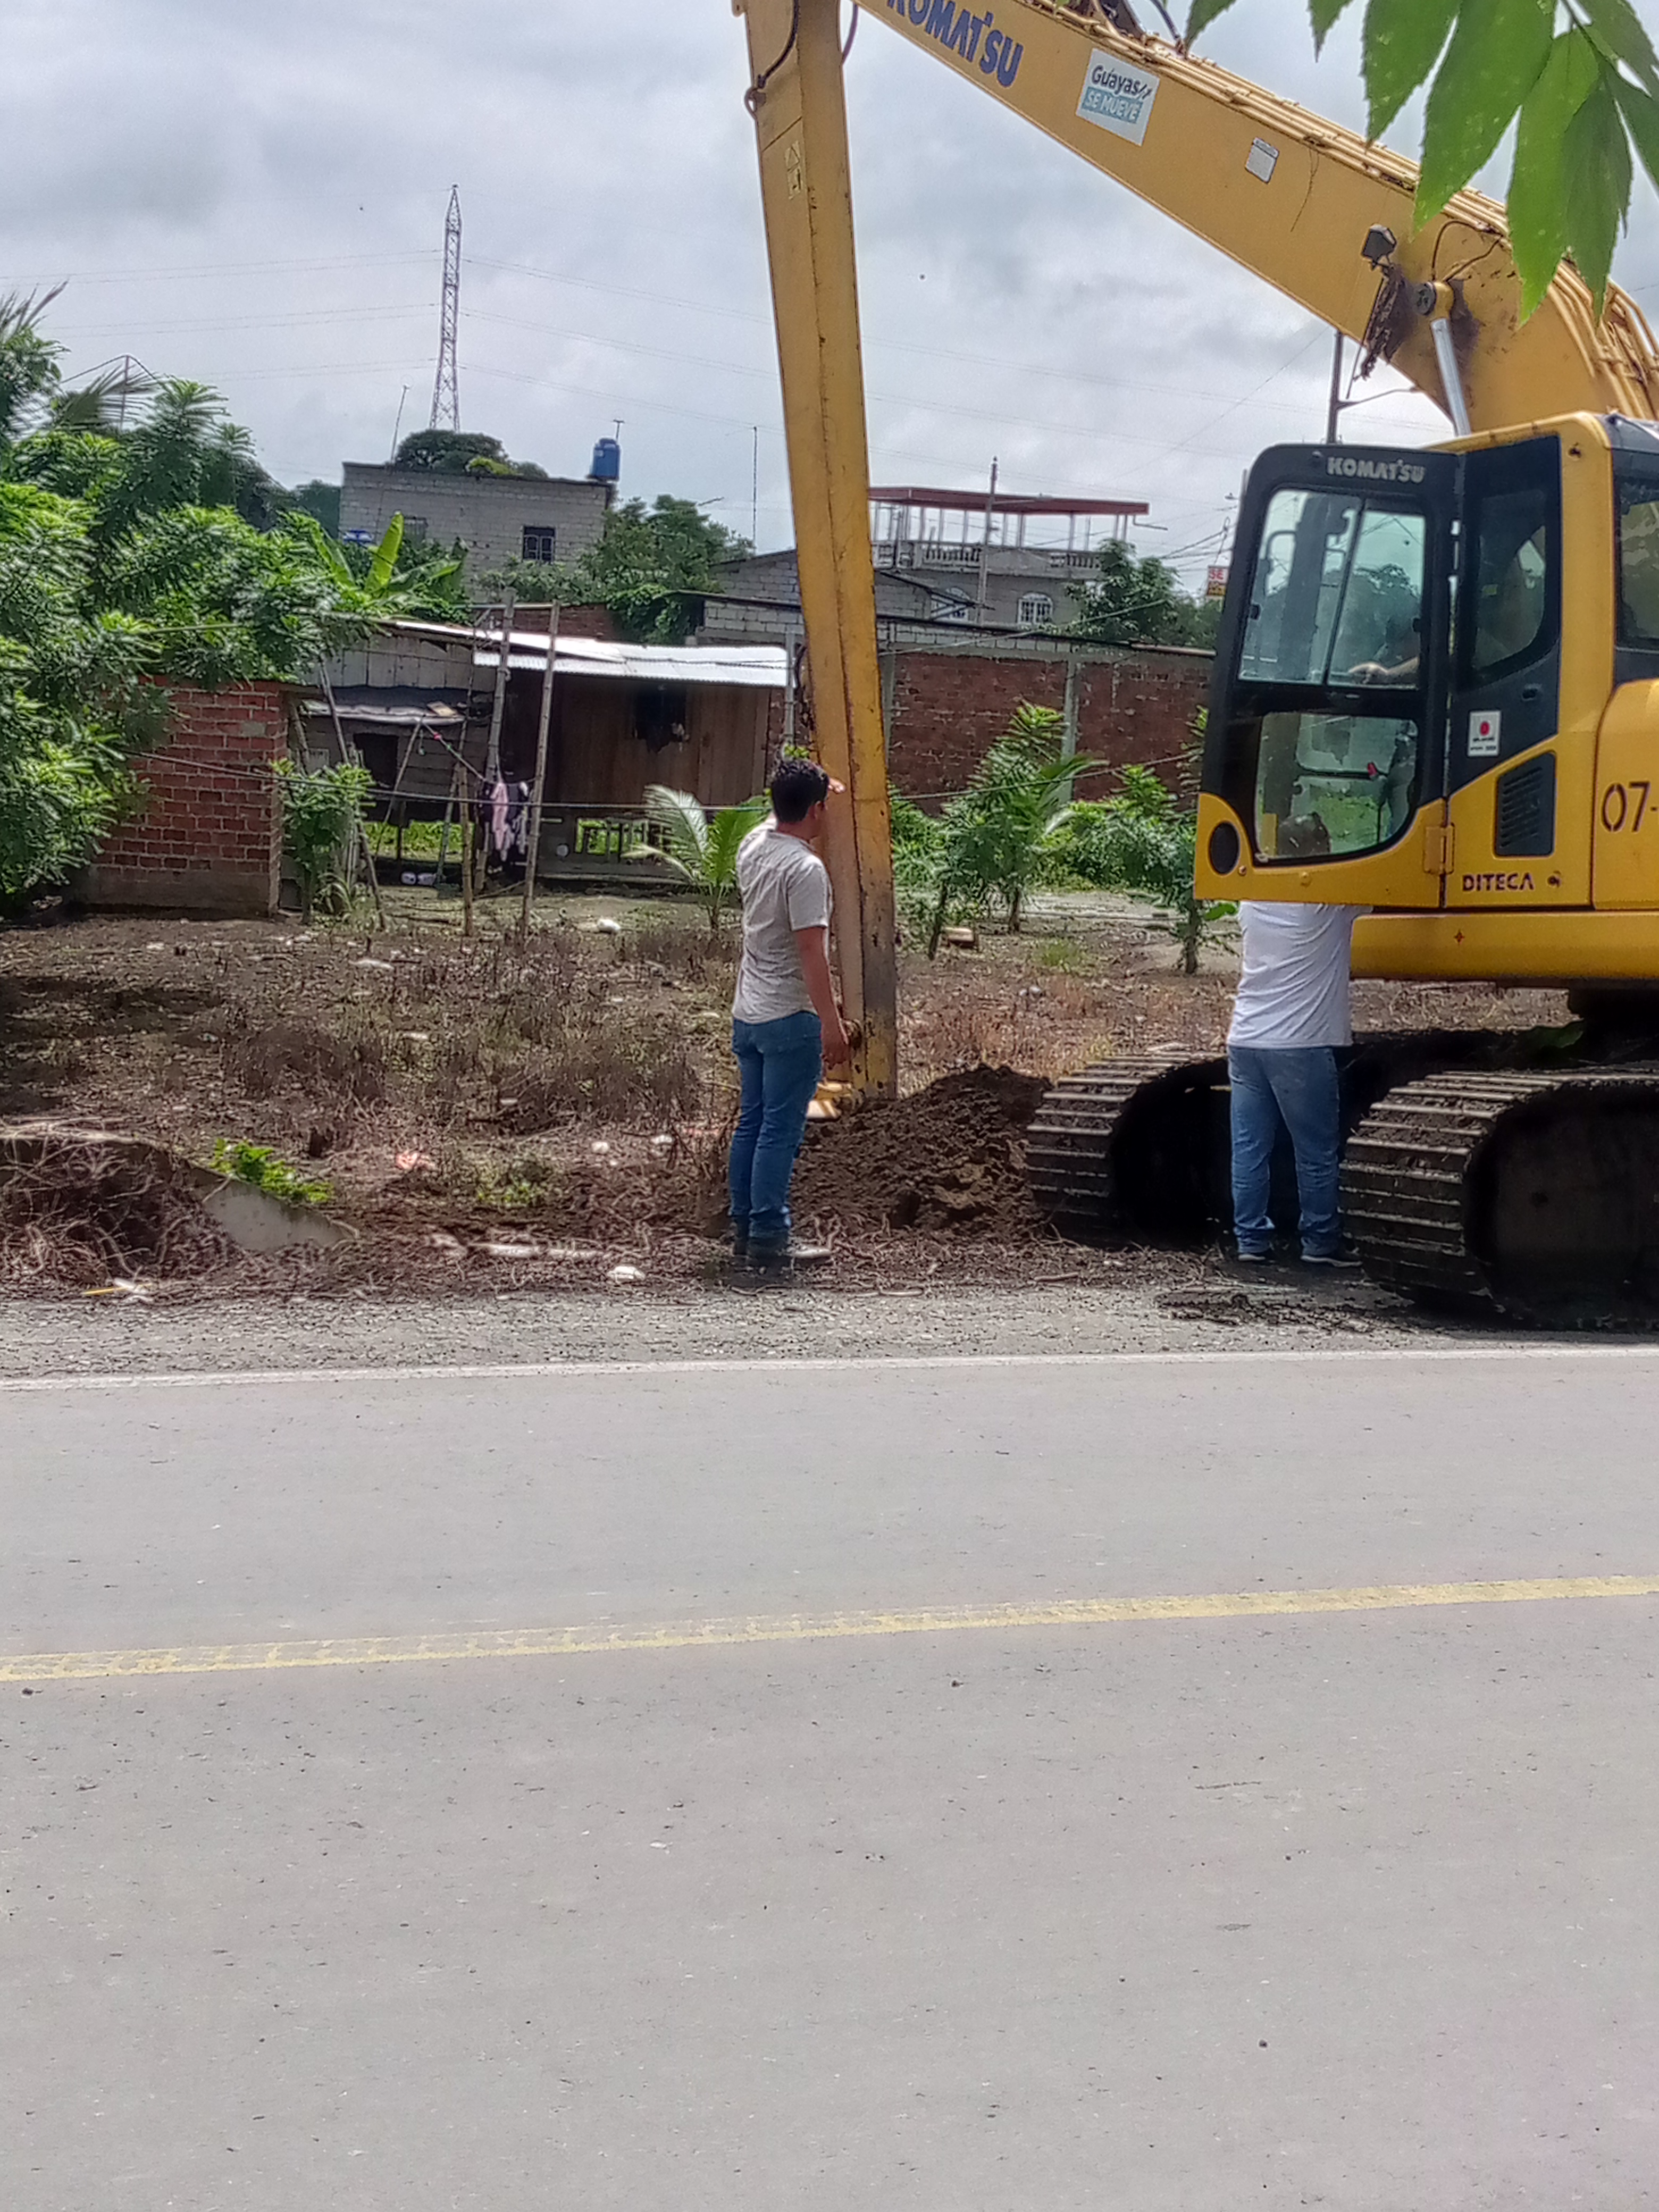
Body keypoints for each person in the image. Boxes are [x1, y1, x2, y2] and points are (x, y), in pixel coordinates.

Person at [728, 758, 852, 1271]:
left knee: (752, 1123)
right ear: (817, 810)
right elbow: (810, 953)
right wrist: (831, 1024)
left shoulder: (753, 845)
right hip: (789, 1016)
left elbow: (781, 809)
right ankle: (771, 1236)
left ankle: (744, 1228)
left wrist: (813, 785)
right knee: (780, 1130)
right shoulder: (806, 871)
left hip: (748, 1014)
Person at [1227, 900, 1367, 1267]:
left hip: (1245, 1038)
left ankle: (1250, 1241)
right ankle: (1321, 1242)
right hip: (1300, 1042)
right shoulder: (1323, 905)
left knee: (1249, 1148)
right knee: (1316, 1151)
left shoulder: (1250, 904)